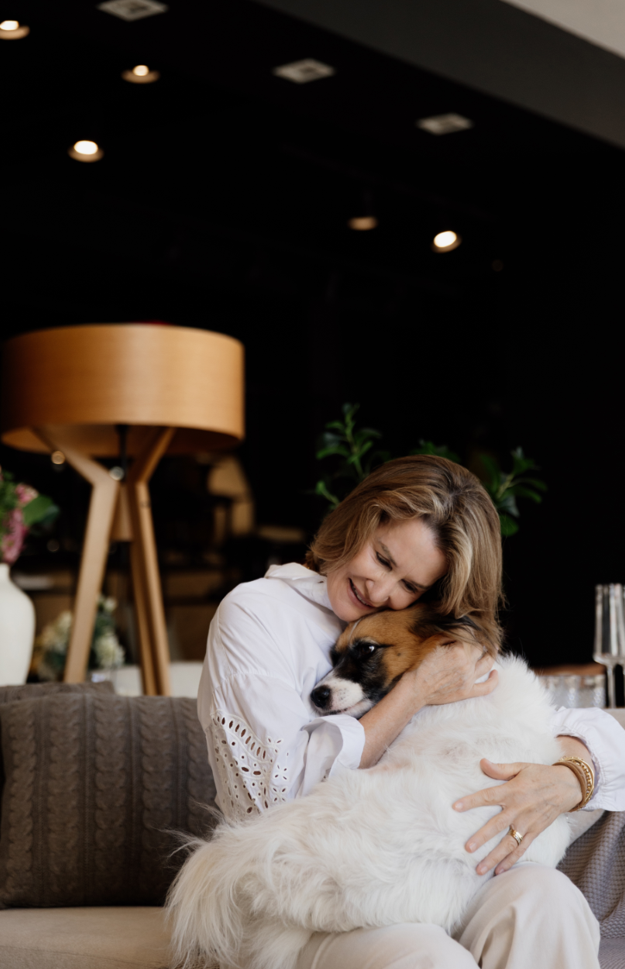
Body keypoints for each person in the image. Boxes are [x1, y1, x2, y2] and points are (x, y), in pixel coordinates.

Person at [197, 455, 625, 969]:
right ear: (357, 519)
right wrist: (416, 692)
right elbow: (275, 800)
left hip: (432, 867)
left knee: (549, 903)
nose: (379, 591)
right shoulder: (257, 614)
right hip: (305, 896)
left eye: (410, 586)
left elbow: (541, 720)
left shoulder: (409, 628)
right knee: (426, 957)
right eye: (382, 558)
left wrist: (570, 775)